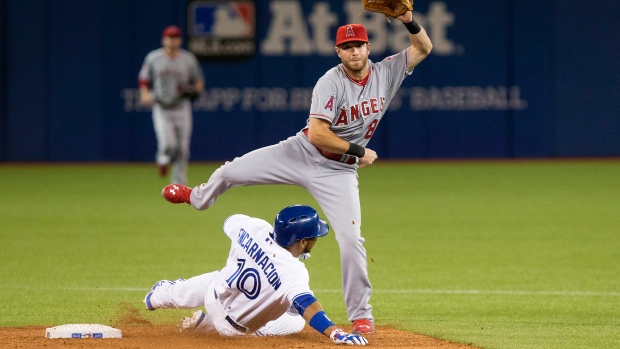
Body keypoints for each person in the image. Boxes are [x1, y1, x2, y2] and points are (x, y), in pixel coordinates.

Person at [161, 10, 432, 335]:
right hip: (302, 152)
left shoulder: (387, 72)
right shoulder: (330, 82)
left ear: (368, 47)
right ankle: (197, 197)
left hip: (338, 173)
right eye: (347, 47)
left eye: (359, 44)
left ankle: (361, 315)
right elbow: (318, 133)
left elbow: (423, 47)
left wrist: (407, 18)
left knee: (351, 241)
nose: (354, 51)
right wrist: (360, 151)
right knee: (233, 170)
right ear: (338, 52)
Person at [143, 205, 368, 345]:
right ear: (302, 242)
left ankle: (160, 296)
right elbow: (309, 307)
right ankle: (206, 325)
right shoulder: (294, 272)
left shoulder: (254, 227)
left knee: (218, 277)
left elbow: (228, 221)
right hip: (232, 330)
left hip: (213, 295)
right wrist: (335, 333)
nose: (316, 239)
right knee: (295, 316)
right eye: (314, 236)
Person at [138, 25, 205, 185]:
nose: (172, 40)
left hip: (181, 107)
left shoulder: (188, 59)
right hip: (161, 107)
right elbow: (144, 79)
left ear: (179, 40)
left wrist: (195, 90)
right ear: (164, 39)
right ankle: (162, 159)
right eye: (169, 37)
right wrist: (145, 94)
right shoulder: (153, 58)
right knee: (168, 145)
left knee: (182, 148)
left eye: (175, 37)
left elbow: (199, 81)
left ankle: (178, 182)